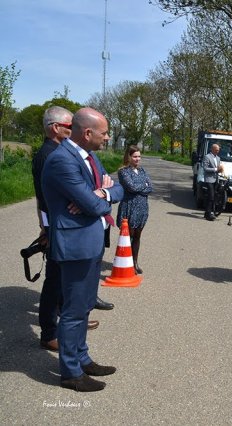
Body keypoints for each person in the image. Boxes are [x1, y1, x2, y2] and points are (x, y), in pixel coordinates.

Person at [42, 107, 124, 392]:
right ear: (87, 133)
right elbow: (94, 207)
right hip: (75, 246)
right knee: (74, 311)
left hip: (89, 242)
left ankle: (82, 358)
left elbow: (117, 189)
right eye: (104, 132)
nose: (107, 137)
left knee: (85, 306)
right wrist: (99, 198)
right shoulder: (61, 161)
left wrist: (102, 192)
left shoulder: (91, 157)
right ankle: (70, 372)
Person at [31, 107, 102, 352]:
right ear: (55, 128)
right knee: (53, 280)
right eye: (69, 126)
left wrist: (92, 193)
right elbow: (45, 197)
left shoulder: (68, 152)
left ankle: (69, 321)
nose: (74, 130)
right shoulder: (48, 154)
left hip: (66, 222)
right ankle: (49, 332)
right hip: (57, 225)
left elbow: (94, 186)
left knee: (62, 280)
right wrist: (46, 228)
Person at [116, 145, 153, 274]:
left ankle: (134, 262)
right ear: (128, 157)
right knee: (128, 237)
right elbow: (131, 187)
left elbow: (151, 188)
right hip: (129, 207)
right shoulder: (123, 171)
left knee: (137, 236)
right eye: (135, 156)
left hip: (142, 207)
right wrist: (143, 185)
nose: (137, 159)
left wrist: (141, 187)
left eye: (139, 156)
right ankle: (124, 262)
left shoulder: (142, 171)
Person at [203, 143, 223, 221]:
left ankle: (206, 213)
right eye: (216, 150)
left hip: (215, 179)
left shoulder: (218, 158)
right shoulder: (207, 157)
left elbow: (218, 168)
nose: (217, 151)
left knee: (213, 197)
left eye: (218, 150)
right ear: (212, 149)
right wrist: (215, 169)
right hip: (208, 179)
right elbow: (205, 168)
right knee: (211, 196)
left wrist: (220, 170)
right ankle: (208, 214)